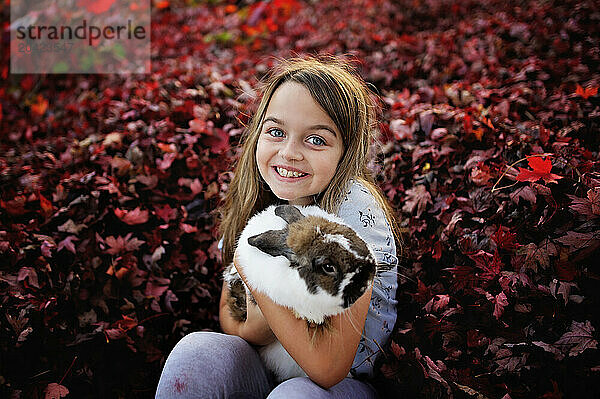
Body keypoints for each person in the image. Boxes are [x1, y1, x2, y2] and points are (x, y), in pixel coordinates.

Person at [156, 55, 401, 399]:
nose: (289, 153)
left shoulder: (353, 211)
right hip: (267, 365)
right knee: (196, 354)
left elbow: (328, 368)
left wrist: (258, 272)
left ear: (346, 152)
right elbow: (232, 318)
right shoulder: (261, 197)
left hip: (339, 384)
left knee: (295, 396)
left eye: (316, 140)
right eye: (276, 132)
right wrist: (261, 309)